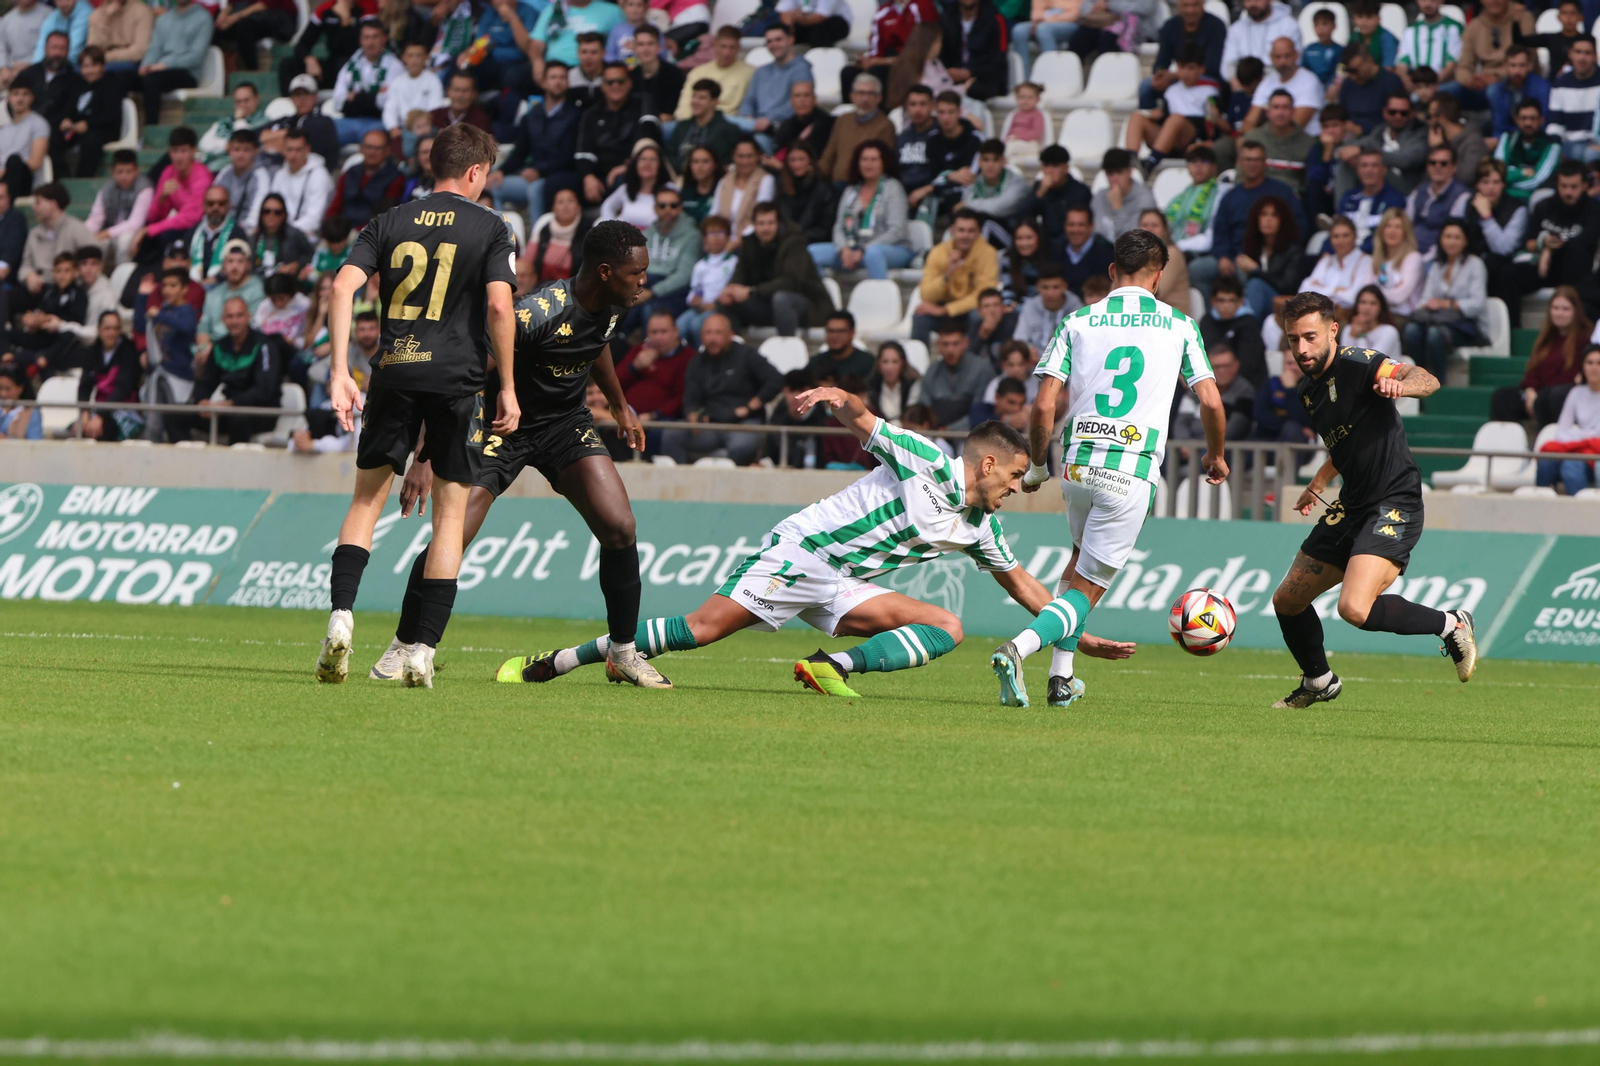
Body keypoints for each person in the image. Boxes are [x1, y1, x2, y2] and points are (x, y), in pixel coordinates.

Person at [512, 391, 1133, 692]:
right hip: (802, 554)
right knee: (700, 630)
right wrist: (836, 396)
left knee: (947, 625)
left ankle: (829, 667)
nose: (1021, 489)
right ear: (990, 463)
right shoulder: (927, 461)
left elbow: (1025, 586)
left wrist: (1075, 634)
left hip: (844, 584)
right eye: (1018, 476)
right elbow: (864, 420)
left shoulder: (983, 529)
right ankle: (559, 663)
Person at [386, 220, 663, 685]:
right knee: (455, 534)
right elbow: (470, 374)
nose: (643, 282)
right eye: (636, 274)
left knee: (620, 527)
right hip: (501, 425)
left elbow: (597, 344)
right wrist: (429, 452)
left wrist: (619, 404)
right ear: (603, 271)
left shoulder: (615, 303)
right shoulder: (536, 314)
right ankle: (404, 646)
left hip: (564, 425)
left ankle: (623, 652)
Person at [313, 121, 519, 690]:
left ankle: (341, 618)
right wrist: (507, 386)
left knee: (364, 504)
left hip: (395, 371)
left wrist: (339, 373)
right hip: (457, 379)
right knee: (450, 517)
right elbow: (501, 309)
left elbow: (340, 288)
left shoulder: (390, 220)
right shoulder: (492, 228)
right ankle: (422, 650)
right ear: (476, 171)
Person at [992, 229, 1225, 708]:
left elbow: (1042, 407)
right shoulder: (1181, 325)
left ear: (1114, 272)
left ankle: (1062, 678)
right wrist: (1215, 454)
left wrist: (1037, 465)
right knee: (1089, 587)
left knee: (1077, 562)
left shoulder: (1077, 321)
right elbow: (1211, 401)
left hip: (1077, 465)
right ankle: (1018, 649)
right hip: (1130, 469)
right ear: (1158, 278)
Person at [1269, 289, 1478, 708]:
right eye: (1294, 340)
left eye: (1310, 336)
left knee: (1355, 609)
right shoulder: (1308, 393)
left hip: (1394, 501)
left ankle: (1451, 623)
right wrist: (1321, 479)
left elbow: (1427, 379)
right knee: (1287, 600)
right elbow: (1345, 442)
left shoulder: (1358, 363)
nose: (1302, 348)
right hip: (1352, 503)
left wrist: (1400, 385)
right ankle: (1318, 681)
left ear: (1332, 330)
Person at [1189, 141, 1305, 303]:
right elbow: (1220, 231)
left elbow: (1299, 227)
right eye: (1248, 159)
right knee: (1196, 270)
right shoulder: (1230, 196)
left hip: (1267, 256)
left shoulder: (1281, 191)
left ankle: (1244, 318)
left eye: (1257, 160)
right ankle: (1213, 317)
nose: (1252, 164)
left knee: (1247, 274)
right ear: (1240, 162)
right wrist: (1223, 256)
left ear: (1265, 162)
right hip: (1232, 255)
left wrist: (1277, 250)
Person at [660, 311, 782, 463]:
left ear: (730, 335)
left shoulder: (747, 355)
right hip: (709, 425)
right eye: (708, 333)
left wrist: (752, 405)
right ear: (701, 336)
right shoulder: (696, 362)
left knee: (742, 447)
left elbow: (776, 380)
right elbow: (690, 397)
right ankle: (680, 482)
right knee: (671, 434)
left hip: (743, 423)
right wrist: (692, 414)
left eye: (718, 333)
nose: (712, 338)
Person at [718, 201, 831, 337]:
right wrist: (731, 289)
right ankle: (734, 351)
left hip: (807, 304)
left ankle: (786, 348)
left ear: (778, 224)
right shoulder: (749, 243)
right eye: (761, 223)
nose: (766, 228)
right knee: (726, 300)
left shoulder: (794, 243)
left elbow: (791, 282)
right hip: (766, 302)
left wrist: (751, 291)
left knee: (781, 299)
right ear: (753, 225)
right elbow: (740, 274)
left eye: (770, 223)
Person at [488, 61, 579, 224]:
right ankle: (497, 236)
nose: (558, 81)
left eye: (562, 78)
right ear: (543, 82)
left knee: (536, 189)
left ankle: (537, 240)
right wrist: (501, 171)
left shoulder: (575, 115)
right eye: (553, 77)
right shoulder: (532, 115)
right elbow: (520, 151)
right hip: (531, 176)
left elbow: (568, 156)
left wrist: (538, 171)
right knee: (492, 185)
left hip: (556, 177)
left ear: (568, 82)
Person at [810, 140, 910, 280]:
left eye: (874, 159)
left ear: (884, 163)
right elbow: (839, 226)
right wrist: (843, 250)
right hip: (854, 249)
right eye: (864, 160)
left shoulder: (893, 188)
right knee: (811, 252)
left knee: (873, 254)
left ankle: (880, 300)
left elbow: (897, 230)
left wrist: (864, 249)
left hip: (892, 249)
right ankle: (824, 299)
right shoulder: (850, 190)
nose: (868, 164)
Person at [1402, 219, 1488, 379]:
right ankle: (1416, 380)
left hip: (1466, 325)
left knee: (1435, 334)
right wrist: (1428, 305)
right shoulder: (1437, 266)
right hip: (1440, 320)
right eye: (1448, 236)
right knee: (1411, 331)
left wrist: (1446, 304)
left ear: (1465, 241)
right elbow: (1425, 299)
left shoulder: (1475, 264)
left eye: (1457, 237)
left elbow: (1477, 304)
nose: (1452, 241)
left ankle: (1439, 383)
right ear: (1441, 239)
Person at [1492, 285, 1590, 423]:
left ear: (1575, 311)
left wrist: (1541, 396)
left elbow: (1578, 375)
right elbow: (1533, 370)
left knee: (1552, 396)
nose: (1559, 313)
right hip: (1539, 394)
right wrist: (1531, 391)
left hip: (1563, 395)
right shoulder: (1545, 339)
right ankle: (1508, 441)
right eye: (1555, 308)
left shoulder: (1585, 338)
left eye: (1565, 309)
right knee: (1502, 396)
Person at [1518, 160, 1600, 314]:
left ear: (1584, 185)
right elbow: (1528, 243)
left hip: (1578, 271)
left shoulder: (1594, 210)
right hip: (1546, 268)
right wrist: (1543, 245)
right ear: (1557, 184)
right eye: (1564, 186)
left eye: (1573, 187)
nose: (1568, 192)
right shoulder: (1543, 206)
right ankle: (1512, 332)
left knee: (1576, 250)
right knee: (1509, 275)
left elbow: (1586, 241)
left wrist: (1549, 249)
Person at [576, 61, 661, 208]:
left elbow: (649, 137)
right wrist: (588, 176)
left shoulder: (643, 103)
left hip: (631, 169)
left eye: (620, 81)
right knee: (558, 183)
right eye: (610, 82)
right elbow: (584, 152)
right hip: (599, 173)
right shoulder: (591, 114)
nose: (615, 86)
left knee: (623, 180)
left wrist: (630, 164)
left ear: (629, 83)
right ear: (602, 86)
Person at [1124, 46, 1219, 172]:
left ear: (1201, 69)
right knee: (1137, 117)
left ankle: (1150, 164)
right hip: (1168, 139)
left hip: (1192, 139)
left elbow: (1211, 122)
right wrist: (1156, 115)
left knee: (1176, 119)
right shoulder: (1171, 90)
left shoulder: (1210, 91)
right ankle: (1131, 163)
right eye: (1182, 67)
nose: (1186, 73)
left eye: (1191, 68)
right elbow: (1164, 117)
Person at [912, 210, 1000, 343]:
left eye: (971, 231)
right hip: (945, 306)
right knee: (920, 316)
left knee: (978, 316)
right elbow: (926, 295)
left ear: (979, 232)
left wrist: (945, 310)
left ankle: (971, 360)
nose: (966, 235)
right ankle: (918, 360)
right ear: (952, 230)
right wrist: (947, 275)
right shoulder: (938, 252)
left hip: (971, 309)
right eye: (961, 230)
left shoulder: (988, 253)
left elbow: (984, 295)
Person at [615, 309, 692, 455]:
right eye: (653, 332)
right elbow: (614, 382)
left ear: (676, 332)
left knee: (658, 433)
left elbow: (682, 396)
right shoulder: (639, 350)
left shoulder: (687, 356)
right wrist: (634, 366)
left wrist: (655, 415)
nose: (658, 337)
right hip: (628, 414)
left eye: (663, 332)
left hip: (661, 419)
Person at [626, 187, 699, 334]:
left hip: (674, 289)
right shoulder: (647, 233)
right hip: (646, 282)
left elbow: (684, 276)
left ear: (680, 208)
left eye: (673, 205)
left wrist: (652, 292)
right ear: (655, 208)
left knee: (651, 312)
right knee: (620, 306)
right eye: (662, 205)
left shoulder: (692, 236)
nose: (667, 210)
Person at [839, 0, 936, 104]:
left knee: (879, 71)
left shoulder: (922, 6)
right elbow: (876, 50)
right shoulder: (883, 12)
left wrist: (880, 61)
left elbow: (923, 50)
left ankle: (883, 113)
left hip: (914, 64)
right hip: (886, 60)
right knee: (849, 72)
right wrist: (866, 61)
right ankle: (850, 116)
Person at [135, 0, 212, 126]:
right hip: (159, 69)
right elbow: (154, 48)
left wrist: (165, 65)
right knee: (121, 78)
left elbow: (196, 56)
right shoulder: (163, 19)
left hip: (188, 72)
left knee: (151, 80)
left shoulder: (203, 18)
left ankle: (151, 128)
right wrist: (145, 65)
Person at [735, 24, 811, 153]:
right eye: (769, 41)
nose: (773, 44)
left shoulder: (801, 69)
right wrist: (747, 115)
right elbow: (749, 99)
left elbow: (799, 103)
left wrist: (769, 119)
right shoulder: (761, 71)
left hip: (777, 130)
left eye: (778, 39)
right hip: (753, 125)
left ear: (791, 39)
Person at [71, 311, 144, 442]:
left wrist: (100, 416)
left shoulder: (129, 351)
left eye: (116, 328)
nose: (112, 333)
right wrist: (85, 413)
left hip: (125, 410)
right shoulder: (92, 352)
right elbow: (84, 387)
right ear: (99, 330)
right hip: (100, 408)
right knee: (77, 429)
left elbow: (122, 389)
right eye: (107, 328)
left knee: (102, 429)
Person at [1536, 346, 1600, 494]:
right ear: (1583, 366)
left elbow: (1598, 435)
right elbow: (1562, 431)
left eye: (1598, 363)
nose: (1594, 367)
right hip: (1579, 449)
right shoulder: (1576, 393)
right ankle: (1540, 508)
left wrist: (1577, 435)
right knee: (1546, 462)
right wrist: (1584, 438)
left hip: (1594, 452)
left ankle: (1582, 514)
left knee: (1571, 467)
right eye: (1589, 362)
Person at [278, 0, 374, 97]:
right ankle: (291, 104)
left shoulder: (368, 9)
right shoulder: (326, 9)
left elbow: (357, 50)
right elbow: (302, 44)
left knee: (344, 64)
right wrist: (308, 59)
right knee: (287, 65)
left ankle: (346, 102)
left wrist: (346, 22)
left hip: (359, 66)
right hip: (332, 66)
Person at [18, 183, 94, 301]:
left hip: (65, 289)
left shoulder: (76, 229)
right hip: (38, 288)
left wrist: (72, 276)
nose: (34, 207)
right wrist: (29, 276)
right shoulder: (34, 233)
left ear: (52, 204)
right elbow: (26, 264)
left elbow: (93, 259)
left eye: (38, 202)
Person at [527, 0, 624, 89]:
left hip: (593, 70)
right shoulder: (553, 9)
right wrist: (537, 61)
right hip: (556, 68)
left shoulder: (612, 11)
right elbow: (536, 43)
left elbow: (623, 38)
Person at [817, 75, 896, 184]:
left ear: (879, 98)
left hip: (864, 186)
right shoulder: (842, 120)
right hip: (836, 183)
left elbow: (883, 164)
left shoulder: (885, 125)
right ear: (852, 96)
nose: (865, 98)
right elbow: (828, 157)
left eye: (870, 94)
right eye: (860, 93)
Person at [1235, 194, 1301, 321]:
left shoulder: (1293, 251)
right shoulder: (1253, 247)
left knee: (1256, 284)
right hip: (1255, 300)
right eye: (1263, 214)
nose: (1268, 220)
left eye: (1274, 215)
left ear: (1283, 220)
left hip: (1284, 304)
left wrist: (1256, 270)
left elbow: (1287, 286)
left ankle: (1247, 330)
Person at [196, 240, 266, 358]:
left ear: (248, 265)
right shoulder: (213, 294)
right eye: (230, 261)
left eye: (240, 261)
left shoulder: (258, 289)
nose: (234, 266)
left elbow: (251, 327)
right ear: (223, 266)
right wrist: (203, 347)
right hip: (212, 349)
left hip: (244, 349)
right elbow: (203, 327)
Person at [327, 128, 406, 228]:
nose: (372, 152)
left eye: (378, 148)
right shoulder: (350, 173)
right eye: (368, 147)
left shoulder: (396, 178)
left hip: (371, 234)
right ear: (361, 148)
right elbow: (335, 207)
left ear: (387, 151)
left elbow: (386, 217)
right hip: (340, 231)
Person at [1241, 88, 1314, 196]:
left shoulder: (1309, 143)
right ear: (1267, 112)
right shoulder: (1252, 138)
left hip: (1293, 200)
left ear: (1293, 112)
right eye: (1276, 107)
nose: (1280, 112)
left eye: (1285, 107)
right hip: (1257, 198)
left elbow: (1309, 185)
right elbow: (1241, 177)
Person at [1242, 37, 1322, 135]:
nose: (1282, 62)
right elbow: (1250, 121)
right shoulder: (1267, 82)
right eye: (1278, 57)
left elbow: (1296, 125)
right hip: (1271, 138)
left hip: (1304, 139)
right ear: (1271, 57)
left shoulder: (1309, 81)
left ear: (1296, 55)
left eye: (1287, 56)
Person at [919, 321, 991, 429]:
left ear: (965, 343)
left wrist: (949, 430)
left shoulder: (982, 369)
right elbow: (923, 406)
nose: (950, 350)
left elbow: (981, 411)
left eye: (955, 344)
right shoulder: (932, 371)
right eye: (945, 344)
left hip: (972, 433)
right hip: (936, 432)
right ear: (938, 344)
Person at [676, 214, 735, 344]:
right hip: (699, 308)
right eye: (711, 233)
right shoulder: (700, 265)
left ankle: (703, 355)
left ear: (728, 237)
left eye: (721, 232)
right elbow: (694, 290)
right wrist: (693, 300)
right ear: (704, 238)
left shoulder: (734, 262)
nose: (716, 237)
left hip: (719, 308)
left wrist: (714, 304)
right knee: (678, 326)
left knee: (697, 325)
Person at [672, 27, 753, 120]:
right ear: (714, 46)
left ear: (739, 48)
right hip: (695, 121)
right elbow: (684, 104)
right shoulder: (698, 72)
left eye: (732, 47)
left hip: (728, 123)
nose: (727, 52)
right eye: (723, 46)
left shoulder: (750, 73)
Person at [1300, 216, 1375, 315]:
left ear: (1355, 236)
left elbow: (1354, 298)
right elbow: (1304, 289)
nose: (1341, 241)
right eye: (1336, 236)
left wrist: (1321, 289)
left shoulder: (1366, 262)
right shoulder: (1326, 260)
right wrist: (1335, 290)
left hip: (1349, 315)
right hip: (1321, 313)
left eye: (1345, 235)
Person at [261, 74, 341, 166]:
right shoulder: (286, 120)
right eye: (297, 94)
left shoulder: (325, 122)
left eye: (306, 93)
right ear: (291, 98)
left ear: (315, 96)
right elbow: (258, 135)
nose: (302, 99)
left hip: (314, 172)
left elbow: (299, 141)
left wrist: (272, 139)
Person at [665, 79, 742, 176]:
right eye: (694, 96)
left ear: (714, 101)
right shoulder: (682, 126)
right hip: (681, 177)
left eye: (702, 98)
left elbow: (731, 160)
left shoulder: (728, 129)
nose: (695, 101)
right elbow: (669, 155)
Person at [268, 130, 333, 240]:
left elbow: (314, 220)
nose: (293, 155)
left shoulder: (319, 176)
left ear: (307, 150)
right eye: (289, 150)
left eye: (298, 150)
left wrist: (285, 232)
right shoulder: (280, 174)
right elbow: (272, 206)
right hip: (280, 235)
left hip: (309, 238)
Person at [1201, 276, 1266, 385]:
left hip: (1246, 384)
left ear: (1240, 302)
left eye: (1231, 300)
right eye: (1221, 300)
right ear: (1213, 302)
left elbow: (1249, 363)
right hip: (1213, 380)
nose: (1226, 306)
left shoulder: (1249, 322)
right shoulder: (1207, 321)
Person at [1407, 145, 1471, 255]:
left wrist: (1426, 259)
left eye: (1443, 163)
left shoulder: (1462, 196)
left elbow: (1452, 237)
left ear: (1454, 167)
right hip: (1410, 252)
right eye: (1433, 162)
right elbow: (1406, 226)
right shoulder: (1417, 192)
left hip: (1439, 257)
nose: (1437, 167)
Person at [711, 137, 775, 244]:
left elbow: (761, 217)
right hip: (723, 241)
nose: (745, 161)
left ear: (758, 156)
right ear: (733, 157)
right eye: (740, 156)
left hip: (752, 242)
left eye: (749, 156)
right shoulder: (724, 181)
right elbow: (714, 213)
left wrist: (738, 241)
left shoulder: (766, 180)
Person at [382, 41, 444, 152]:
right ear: (404, 58)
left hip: (426, 129)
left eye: (418, 55)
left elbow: (435, 108)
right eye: (410, 56)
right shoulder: (397, 82)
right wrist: (392, 127)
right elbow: (390, 108)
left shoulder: (433, 81)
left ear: (426, 58)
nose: (414, 60)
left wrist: (420, 127)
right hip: (403, 130)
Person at [1495, 99, 1560, 203]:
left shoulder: (1552, 145)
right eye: (1523, 118)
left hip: (1533, 199)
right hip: (1504, 197)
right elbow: (1497, 171)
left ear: (1541, 120)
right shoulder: (1507, 138)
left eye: (1532, 118)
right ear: (1517, 120)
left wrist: (1504, 183)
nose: (1528, 123)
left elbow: (1537, 181)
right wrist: (1522, 172)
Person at [601, 144, 674, 230]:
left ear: (660, 164)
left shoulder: (670, 189)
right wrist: (612, 230)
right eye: (643, 159)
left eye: (653, 159)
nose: (647, 164)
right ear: (635, 163)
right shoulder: (626, 189)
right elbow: (607, 206)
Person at [1220, 0, 1298, 81]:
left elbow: (1293, 63)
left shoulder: (1289, 25)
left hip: (1278, 83)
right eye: (1248, 1)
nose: (1253, 4)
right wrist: (1236, 82)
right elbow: (1227, 66)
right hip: (1244, 85)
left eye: (1257, 0)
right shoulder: (1236, 28)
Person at [776, 143, 836, 246]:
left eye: (801, 159)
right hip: (786, 240)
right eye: (792, 160)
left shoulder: (823, 188)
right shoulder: (783, 186)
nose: (797, 164)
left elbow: (825, 228)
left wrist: (798, 238)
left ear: (810, 161)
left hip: (813, 242)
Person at [213, 0, 298, 71]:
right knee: (214, 23)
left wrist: (236, 16)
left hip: (280, 18)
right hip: (251, 15)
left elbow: (266, 3)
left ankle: (251, 69)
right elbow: (232, 2)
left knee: (244, 25)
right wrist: (223, 15)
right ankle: (221, 68)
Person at [1369, 208, 1424, 317]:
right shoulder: (1375, 259)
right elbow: (1364, 292)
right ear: (1381, 230)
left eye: (1398, 227)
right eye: (1388, 226)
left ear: (1405, 232)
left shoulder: (1413, 258)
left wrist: (1375, 293)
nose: (1392, 231)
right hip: (1375, 315)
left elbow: (1399, 297)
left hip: (1402, 315)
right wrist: (1390, 291)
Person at [1397, 0, 1462, 91]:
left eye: (1432, 0)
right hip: (1416, 86)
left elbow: (1452, 65)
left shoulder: (1454, 28)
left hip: (1444, 86)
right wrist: (1407, 81)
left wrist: (1430, 85)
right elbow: (1401, 65)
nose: (1427, 4)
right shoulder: (1410, 31)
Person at [1487, 45, 1548, 141]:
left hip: (1535, 138)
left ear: (1529, 66)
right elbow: (1499, 126)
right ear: (1505, 66)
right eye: (1513, 65)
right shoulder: (1498, 90)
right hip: (1508, 137)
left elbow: (1542, 124)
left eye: (1522, 65)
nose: (1517, 71)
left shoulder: (1542, 87)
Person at [0, 82, 49, 200]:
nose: (20, 98)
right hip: (3, 179)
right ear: (9, 98)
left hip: (24, 179)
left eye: (25, 94)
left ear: (31, 98)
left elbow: (35, 163)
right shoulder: (4, 129)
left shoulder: (39, 124)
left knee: (14, 160)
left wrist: (4, 172)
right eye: (16, 94)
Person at [252, 192, 316, 277]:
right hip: (258, 284)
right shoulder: (253, 238)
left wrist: (297, 265)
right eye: (266, 211)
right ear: (261, 214)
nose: (271, 216)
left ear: (284, 215)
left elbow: (311, 255)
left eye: (277, 212)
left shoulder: (295, 235)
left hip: (286, 283)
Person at [629, 26, 684, 123]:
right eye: (641, 44)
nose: (646, 49)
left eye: (650, 44)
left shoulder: (674, 74)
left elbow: (674, 110)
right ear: (634, 48)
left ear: (659, 47)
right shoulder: (631, 76)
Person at [805, 311, 874, 385]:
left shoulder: (868, 363)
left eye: (840, 331)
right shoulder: (815, 362)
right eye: (831, 331)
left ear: (852, 333)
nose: (834, 336)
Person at [772, 80, 833, 164]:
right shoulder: (785, 125)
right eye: (797, 96)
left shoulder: (827, 123)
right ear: (791, 100)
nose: (802, 100)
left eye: (806, 95)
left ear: (814, 99)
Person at [1341, 284, 1403, 357]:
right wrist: (1352, 336)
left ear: (1380, 307)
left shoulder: (1389, 331)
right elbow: (1342, 358)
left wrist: (1361, 335)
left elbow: (1369, 361)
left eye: (1373, 303)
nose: (1367, 307)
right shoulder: (1349, 329)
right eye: (1363, 302)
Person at [866, 341, 921, 422]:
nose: (889, 368)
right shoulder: (871, 386)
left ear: (903, 363)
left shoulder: (912, 385)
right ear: (878, 364)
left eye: (895, 362)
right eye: (885, 362)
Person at [777, 0, 852, 47]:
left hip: (836, 22)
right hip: (805, 21)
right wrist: (789, 30)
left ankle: (822, 60)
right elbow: (784, 13)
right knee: (778, 31)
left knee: (819, 32)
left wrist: (796, 17)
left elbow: (821, 16)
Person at [0, 367, 42, 440]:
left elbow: (35, 443)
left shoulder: (31, 413)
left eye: (8, 389)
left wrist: (6, 440)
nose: (3, 394)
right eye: (0, 388)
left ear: (20, 388)